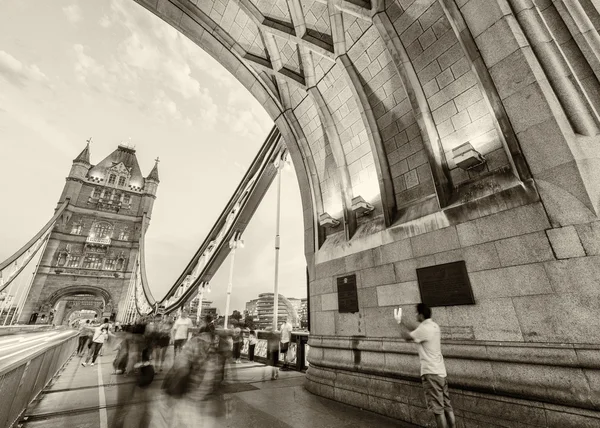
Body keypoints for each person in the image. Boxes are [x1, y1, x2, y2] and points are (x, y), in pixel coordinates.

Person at [394, 304, 455, 428]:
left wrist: (398, 322)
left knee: (438, 410)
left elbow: (406, 336)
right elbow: (416, 328)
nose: (416, 315)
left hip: (431, 373)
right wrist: (404, 321)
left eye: (417, 313)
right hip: (441, 372)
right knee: (447, 406)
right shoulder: (433, 326)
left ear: (421, 315)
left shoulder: (424, 330)